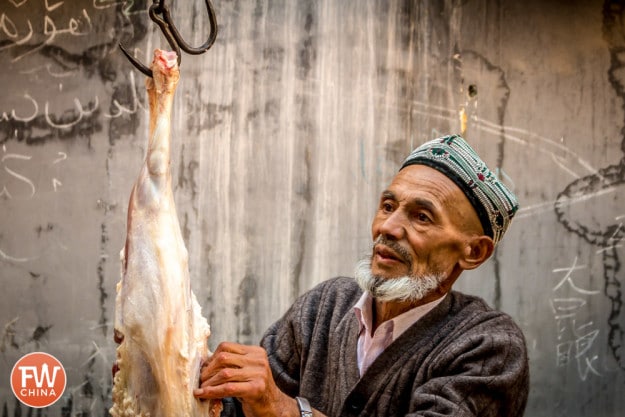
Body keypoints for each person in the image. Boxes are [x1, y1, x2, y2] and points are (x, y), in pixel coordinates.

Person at [194, 134, 530, 417]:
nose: (387, 227)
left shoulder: (490, 347)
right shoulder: (325, 305)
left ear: (473, 252)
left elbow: (274, 405)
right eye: (387, 206)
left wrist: (286, 410)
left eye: (422, 217)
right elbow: (246, 406)